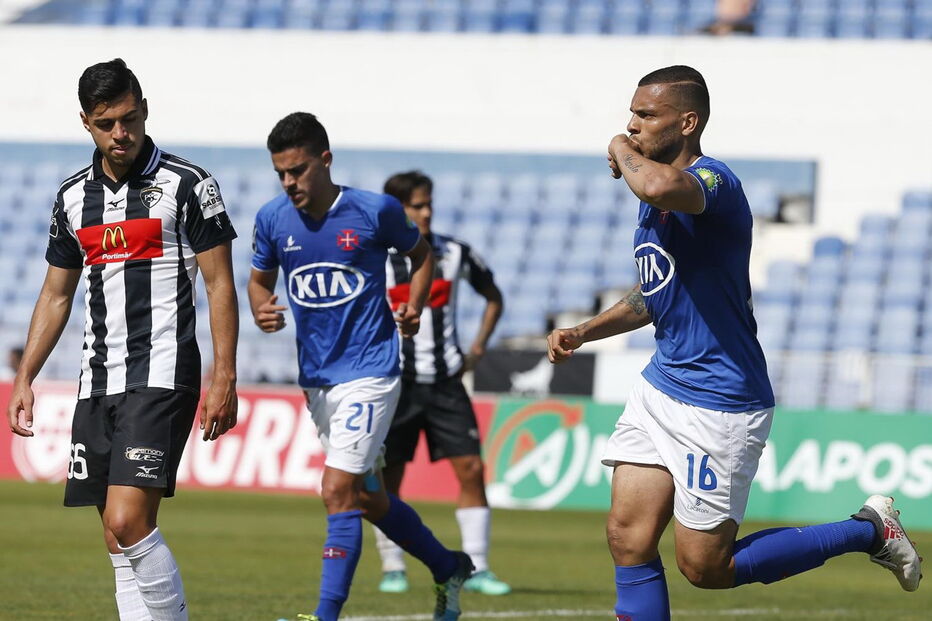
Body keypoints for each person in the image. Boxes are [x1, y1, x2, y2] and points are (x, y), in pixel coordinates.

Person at [546, 65, 922, 620]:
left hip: (720, 401)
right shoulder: (656, 198)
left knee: (706, 568)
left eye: (646, 115)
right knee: (627, 538)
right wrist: (586, 330)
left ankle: (867, 531)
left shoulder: (715, 183)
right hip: (660, 387)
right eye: (630, 116)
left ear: (688, 121)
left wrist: (617, 147)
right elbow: (655, 293)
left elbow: (653, 181)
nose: (632, 125)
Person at [6, 58, 239, 621]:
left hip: (163, 372)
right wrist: (24, 377)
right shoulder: (70, 199)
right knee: (117, 541)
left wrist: (224, 375)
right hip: (98, 378)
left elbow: (219, 285)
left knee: (127, 522)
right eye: (108, 123)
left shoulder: (187, 185)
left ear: (145, 110)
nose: (122, 134)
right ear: (86, 121)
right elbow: (56, 295)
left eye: (130, 119)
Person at [248, 113, 473, 621]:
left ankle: (325, 616)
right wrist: (260, 306)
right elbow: (258, 280)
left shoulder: (374, 211)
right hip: (317, 381)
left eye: (298, 170)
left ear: (324, 160)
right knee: (370, 499)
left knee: (337, 489)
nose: (289, 183)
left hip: (371, 372)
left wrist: (414, 304)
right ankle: (448, 566)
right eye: (281, 173)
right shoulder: (272, 219)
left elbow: (422, 256)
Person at [372, 170, 509, 596]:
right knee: (388, 479)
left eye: (429, 203)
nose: (427, 211)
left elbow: (494, 296)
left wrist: (479, 348)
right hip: (396, 383)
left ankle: (479, 568)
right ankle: (393, 566)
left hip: (446, 382)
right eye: (417, 205)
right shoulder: (375, 256)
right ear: (398, 210)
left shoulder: (453, 252)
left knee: (471, 469)